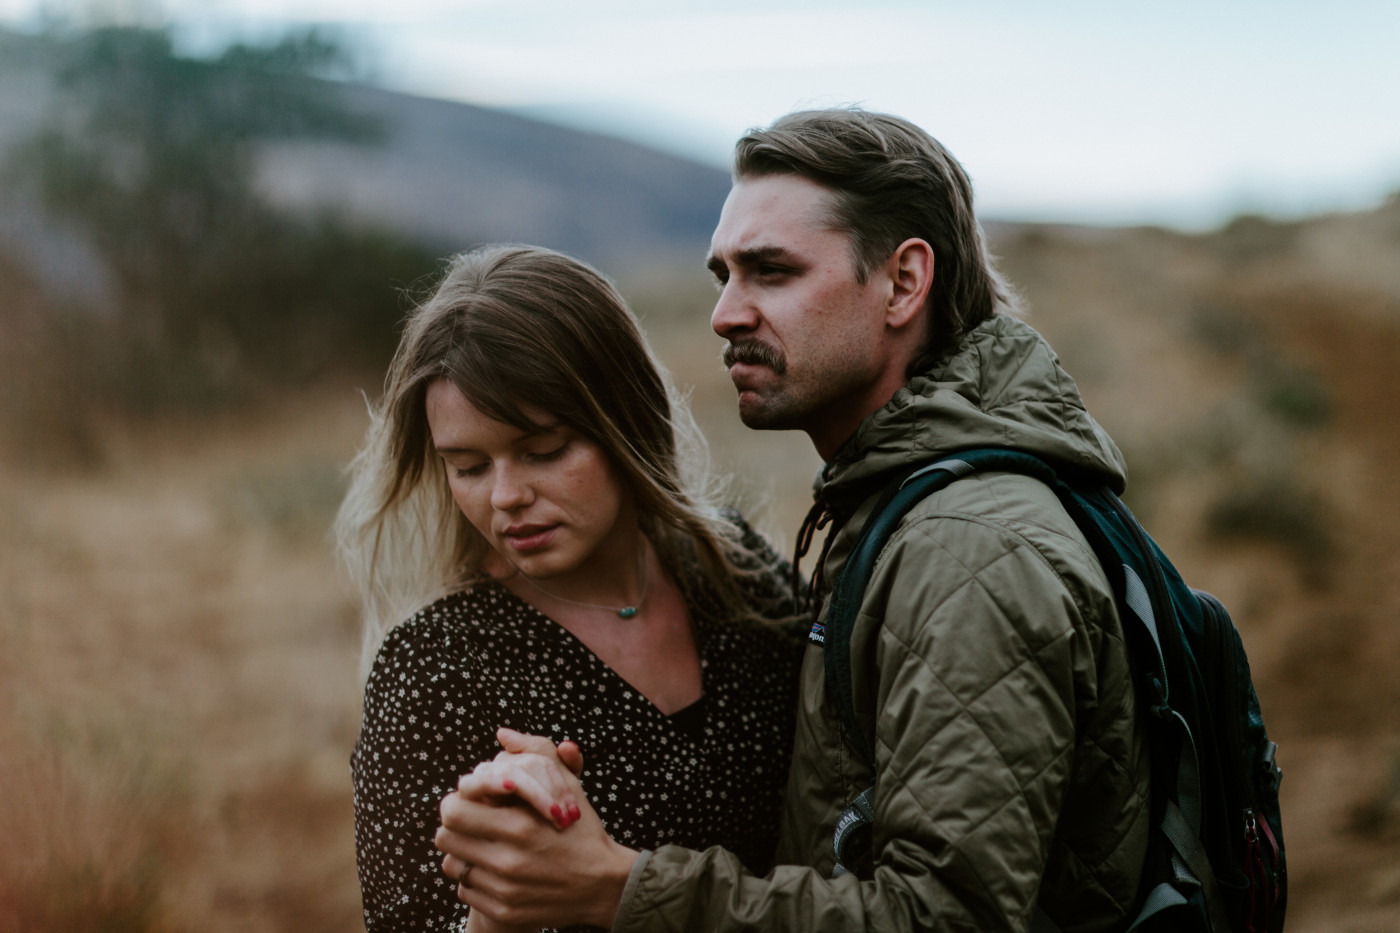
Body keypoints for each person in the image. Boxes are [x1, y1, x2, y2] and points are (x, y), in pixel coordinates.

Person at [434, 109, 1153, 932]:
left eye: (770, 272)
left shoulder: (967, 550)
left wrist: (620, 886)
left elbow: (945, 918)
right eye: (723, 276)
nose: (726, 314)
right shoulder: (900, 502)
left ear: (904, 282)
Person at [337, 243, 805, 932]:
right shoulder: (433, 670)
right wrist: (503, 902)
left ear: (625, 419)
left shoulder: (736, 571)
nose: (506, 496)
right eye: (467, 465)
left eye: (544, 450)